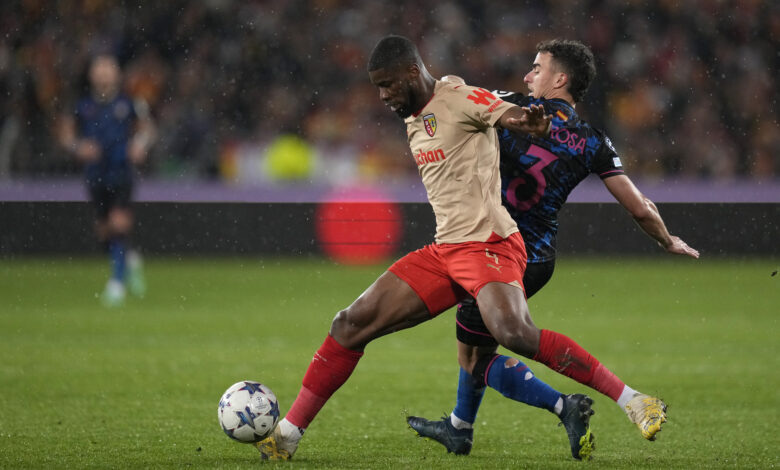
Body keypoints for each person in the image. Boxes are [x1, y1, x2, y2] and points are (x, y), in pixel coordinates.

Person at [256, 34, 632, 463]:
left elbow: (507, 114)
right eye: (378, 87)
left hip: (490, 245)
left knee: (511, 335)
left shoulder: (456, 95)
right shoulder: (415, 114)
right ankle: (288, 435)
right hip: (447, 251)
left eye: (388, 85)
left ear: (412, 73)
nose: (383, 96)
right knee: (350, 324)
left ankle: (624, 397)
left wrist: (531, 122)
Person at [406, 39, 699, 455]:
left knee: (476, 357)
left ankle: (613, 400)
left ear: (560, 79)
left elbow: (454, 94)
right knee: (479, 345)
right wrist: (666, 240)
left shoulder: (512, 106)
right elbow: (640, 207)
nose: (528, 76)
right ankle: (460, 427)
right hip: (539, 257)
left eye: (537, 68)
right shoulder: (594, 141)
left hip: (493, 247)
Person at [59, 54, 155, 307]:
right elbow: (66, 134)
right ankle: (129, 260)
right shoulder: (82, 105)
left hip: (121, 171)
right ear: (91, 74)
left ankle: (117, 284)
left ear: (117, 73)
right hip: (95, 174)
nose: (103, 73)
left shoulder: (130, 102)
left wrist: (139, 145)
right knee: (104, 231)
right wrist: (78, 147)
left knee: (118, 223)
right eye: (99, 68)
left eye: (108, 68)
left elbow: (147, 129)